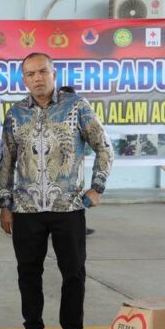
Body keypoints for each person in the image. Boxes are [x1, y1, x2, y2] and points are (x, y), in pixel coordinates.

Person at [0, 52, 113, 329]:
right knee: (28, 271)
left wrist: (97, 188)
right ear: (23, 79)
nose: (37, 78)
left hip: (69, 207)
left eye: (43, 72)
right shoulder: (15, 114)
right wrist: (5, 203)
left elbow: (103, 147)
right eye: (31, 74)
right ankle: (32, 328)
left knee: (73, 272)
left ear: (54, 73)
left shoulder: (77, 107)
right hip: (26, 209)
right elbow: (6, 161)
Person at [59, 85, 96, 237]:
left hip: (74, 166)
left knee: (77, 196)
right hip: (58, 167)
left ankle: (80, 226)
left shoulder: (80, 114)